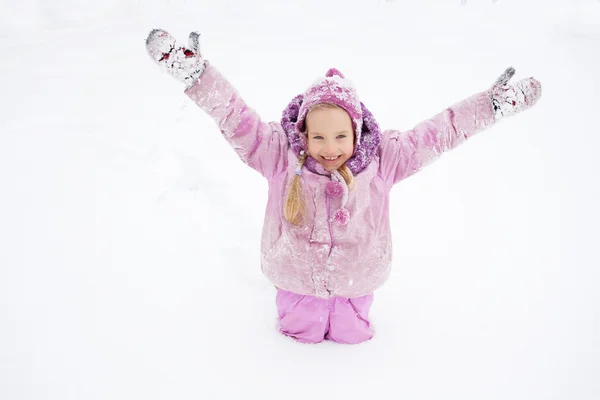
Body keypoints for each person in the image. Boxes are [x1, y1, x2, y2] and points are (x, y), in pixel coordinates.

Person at [145, 29, 542, 344]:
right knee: (296, 338)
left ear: (356, 131)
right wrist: (200, 78)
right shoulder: (278, 155)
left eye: (340, 137)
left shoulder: (385, 158)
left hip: (358, 279)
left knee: (353, 338)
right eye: (318, 138)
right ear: (303, 133)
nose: (329, 149)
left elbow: (441, 131)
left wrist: (488, 106)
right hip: (295, 278)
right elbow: (234, 116)